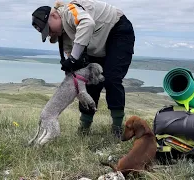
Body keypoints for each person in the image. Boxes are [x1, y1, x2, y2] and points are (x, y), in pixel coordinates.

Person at [31, 0, 135, 138]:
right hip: (97, 44)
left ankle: (117, 127)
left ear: (54, 16)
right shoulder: (63, 35)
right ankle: (84, 128)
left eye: (48, 29)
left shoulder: (70, 11)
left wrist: (73, 58)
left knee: (111, 79)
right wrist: (73, 68)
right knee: (89, 81)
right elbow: (74, 62)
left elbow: (88, 23)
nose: (50, 34)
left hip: (118, 30)